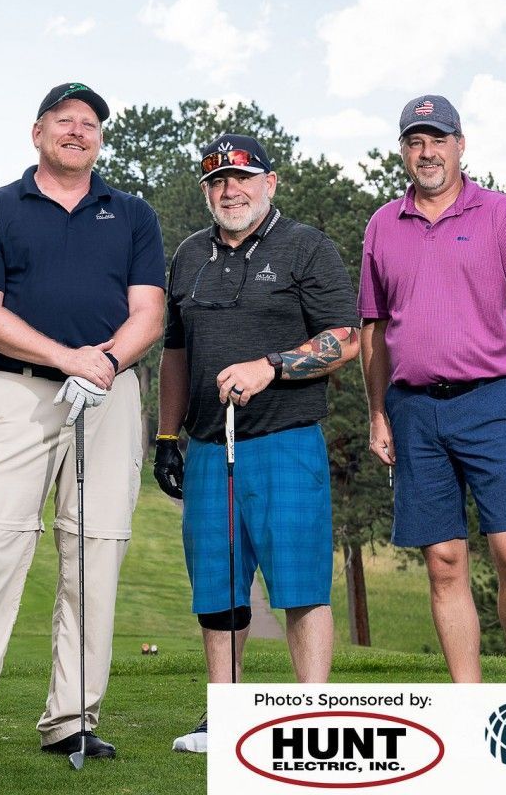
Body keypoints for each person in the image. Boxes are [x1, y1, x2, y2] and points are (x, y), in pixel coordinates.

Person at [0, 82, 165, 767]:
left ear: (99, 140)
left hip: (109, 396)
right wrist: (67, 358)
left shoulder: (131, 214)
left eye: (89, 124)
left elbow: (149, 313)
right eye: (64, 121)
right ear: (37, 132)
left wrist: (103, 362)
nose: (77, 132)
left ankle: (71, 720)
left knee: (93, 556)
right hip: (21, 395)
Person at [357, 94, 506, 684]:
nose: (427, 152)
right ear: (404, 153)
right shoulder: (384, 225)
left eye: (438, 140)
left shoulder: (501, 215)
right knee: (444, 562)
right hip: (415, 410)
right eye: (415, 142)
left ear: (460, 146)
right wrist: (378, 414)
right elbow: (373, 329)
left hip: (492, 401)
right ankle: (471, 708)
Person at [153, 133, 360, 754]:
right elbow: (175, 353)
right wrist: (166, 436)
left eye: (242, 178)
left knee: (299, 586)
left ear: (270, 183)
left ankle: (314, 715)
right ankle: (225, 715)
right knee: (218, 587)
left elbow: (346, 339)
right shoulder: (188, 255)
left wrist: (273, 364)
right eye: (216, 182)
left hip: (286, 441)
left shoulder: (306, 247)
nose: (229, 191)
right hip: (211, 447)